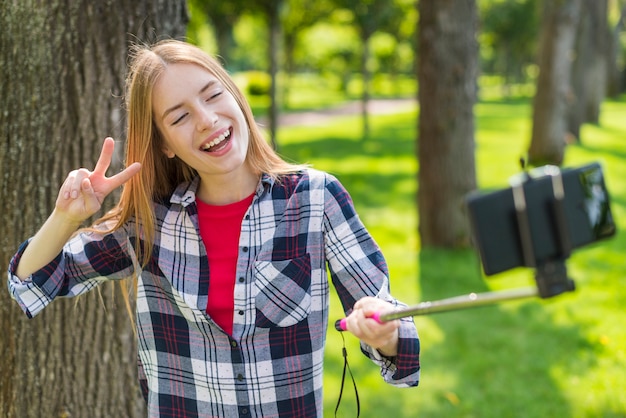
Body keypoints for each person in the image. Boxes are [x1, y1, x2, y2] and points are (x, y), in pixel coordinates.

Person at [7, 39, 420, 417]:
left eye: (213, 95)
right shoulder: (152, 222)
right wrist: (66, 216)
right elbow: (31, 283)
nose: (206, 120)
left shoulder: (315, 197)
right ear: (165, 143)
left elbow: (391, 322)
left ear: (235, 97)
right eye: (180, 116)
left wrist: (384, 333)